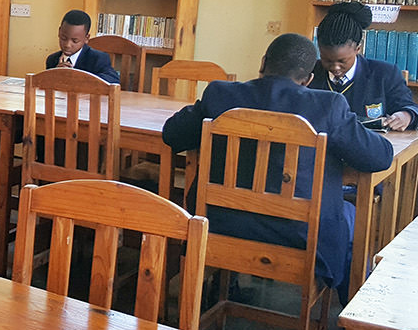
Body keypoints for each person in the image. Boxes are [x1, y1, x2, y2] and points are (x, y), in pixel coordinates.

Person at [162, 33, 393, 299]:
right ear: (308, 79)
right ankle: (351, 316)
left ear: (263, 62)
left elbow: (173, 135)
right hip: (299, 235)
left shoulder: (221, 95)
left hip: (220, 223)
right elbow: (380, 157)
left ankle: (219, 292)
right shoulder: (328, 106)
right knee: (352, 216)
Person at [308, 1, 418, 131]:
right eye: (327, 60)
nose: (335, 67)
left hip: (366, 147)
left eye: (342, 61)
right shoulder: (309, 73)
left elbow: (412, 109)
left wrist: (406, 115)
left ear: (358, 49)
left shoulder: (385, 74)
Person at [44, 9, 120, 83]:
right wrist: (54, 75)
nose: (67, 45)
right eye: (63, 38)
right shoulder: (52, 60)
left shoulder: (98, 59)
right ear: (59, 32)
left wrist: (76, 76)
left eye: (75, 41)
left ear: (86, 38)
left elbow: (113, 80)